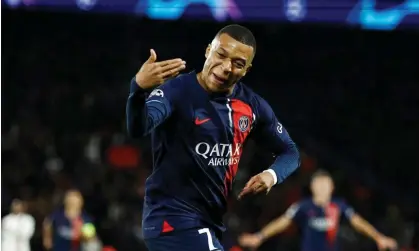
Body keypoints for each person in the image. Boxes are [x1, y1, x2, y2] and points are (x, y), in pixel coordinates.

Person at [126, 24, 300, 251]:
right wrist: (138, 89)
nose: (226, 67)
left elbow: (290, 151)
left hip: (210, 223)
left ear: (246, 70)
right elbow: (139, 127)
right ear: (208, 50)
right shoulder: (177, 92)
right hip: (171, 219)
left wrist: (271, 175)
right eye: (221, 55)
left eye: (238, 64)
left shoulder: (251, 105)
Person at [238, 170, 398, 251]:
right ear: (312, 187)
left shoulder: (339, 205)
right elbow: (283, 221)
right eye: (318, 184)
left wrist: (379, 237)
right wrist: (259, 236)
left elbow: (358, 222)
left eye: (325, 184)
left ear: (332, 188)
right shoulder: (303, 206)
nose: (322, 188)